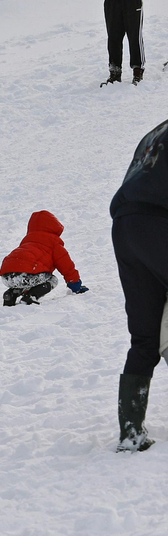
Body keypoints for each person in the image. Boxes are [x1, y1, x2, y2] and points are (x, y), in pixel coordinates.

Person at [110, 117, 168, 451]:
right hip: (159, 223)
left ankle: (131, 432)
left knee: (144, 337)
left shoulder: (155, 131)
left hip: (126, 227)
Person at [0, 211, 88, 306]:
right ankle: (31, 296)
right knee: (52, 280)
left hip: (7, 276)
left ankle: (11, 293)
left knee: (25, 277)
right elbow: (66, 266)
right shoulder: (53, 242)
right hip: (27, 275)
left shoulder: (27, 240)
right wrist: (75, 285)